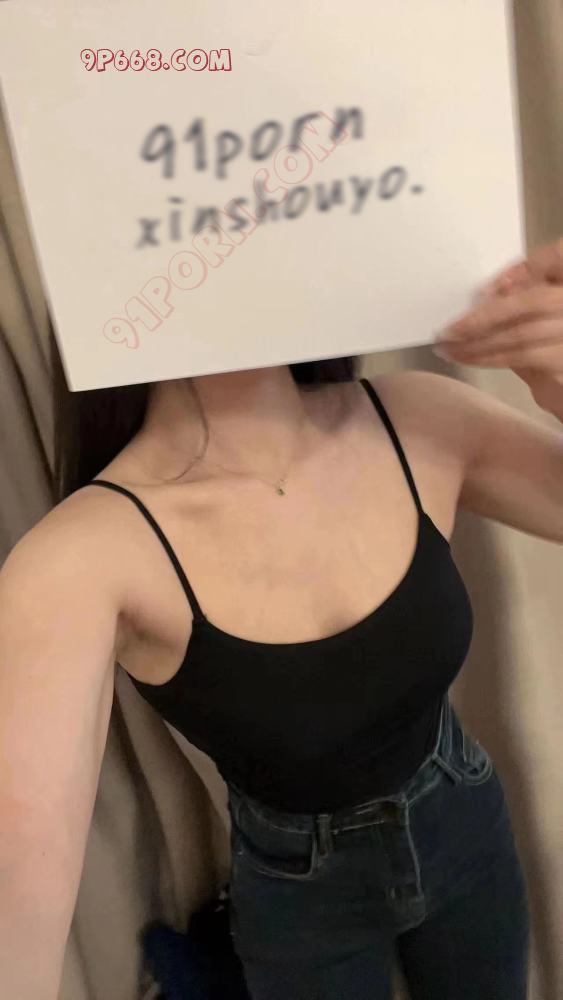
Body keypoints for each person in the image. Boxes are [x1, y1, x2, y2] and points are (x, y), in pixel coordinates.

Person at [1, 240, 563, 1000]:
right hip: (300, 899)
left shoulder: (420, 417)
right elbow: (17, 895)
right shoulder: (83, 556)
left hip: (465, 821)